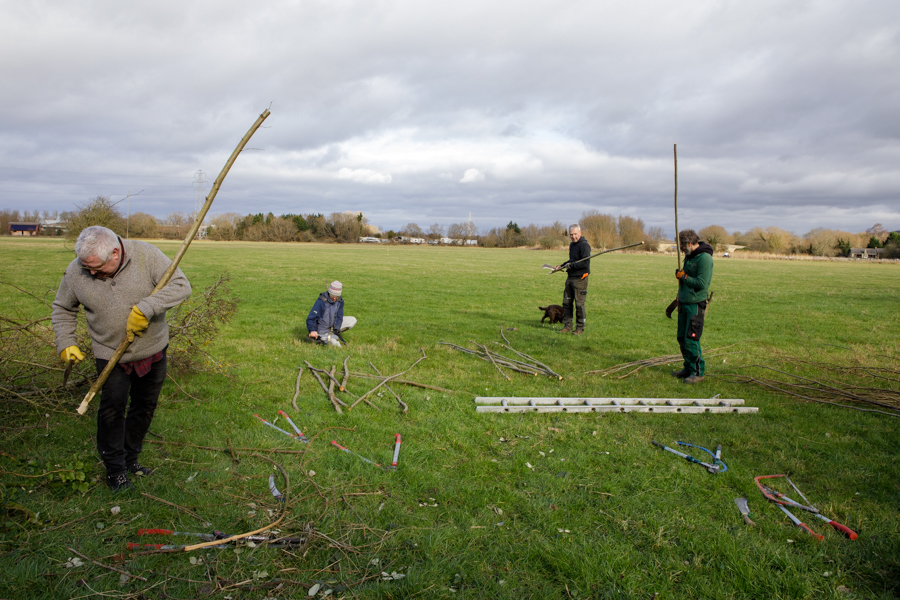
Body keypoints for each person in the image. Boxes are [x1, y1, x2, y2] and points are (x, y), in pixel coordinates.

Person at [52, 226, 192, 492]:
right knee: (111, 411)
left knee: (144, 406)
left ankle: (131, 459)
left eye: (96, 267)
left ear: (115, 252)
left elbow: (181, 286)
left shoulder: (147, 255)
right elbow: (62, 307)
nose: (90, 272)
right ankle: (115, 471)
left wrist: (147, 307)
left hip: (153, 349)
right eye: (86, 267)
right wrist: (66, 341)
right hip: (109, 354)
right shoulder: (76, 271)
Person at [673, 229, 713, 384]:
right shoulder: (689, 256)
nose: (682, 250)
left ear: (689, 243)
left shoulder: (705, 259)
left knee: (691, 339)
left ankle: (698, 373)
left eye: (683, 247)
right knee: (681, 338)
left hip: (695, 305)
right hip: (684, 303)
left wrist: (684, 277)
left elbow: (702, 284)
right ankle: (688, 368)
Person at [554, 224, 591, 334]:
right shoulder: (572, 245)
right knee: (567, 303)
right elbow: (572, 260)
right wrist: (562, 265)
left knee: (579, 305)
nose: (573, 237)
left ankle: (580, 328)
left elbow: (585, 263)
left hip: (580, 279)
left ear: (580, 233)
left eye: (575, 234)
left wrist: (571, 266)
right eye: (571, 234)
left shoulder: (584, 245)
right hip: (570, 278)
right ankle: (567, 326)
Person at [306, 281, 356, 347]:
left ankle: (332, 333)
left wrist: (336, 328)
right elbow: (311, 318)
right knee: (337, 345)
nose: (334, 298)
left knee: (352, 320)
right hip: (321, 330)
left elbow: (339, 317)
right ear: (329, 292)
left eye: (337, 296)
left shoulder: (340, 301)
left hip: (332, 327)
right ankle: (322, 338)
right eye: (332, 295)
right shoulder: (321, 301)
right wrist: (312, 330)